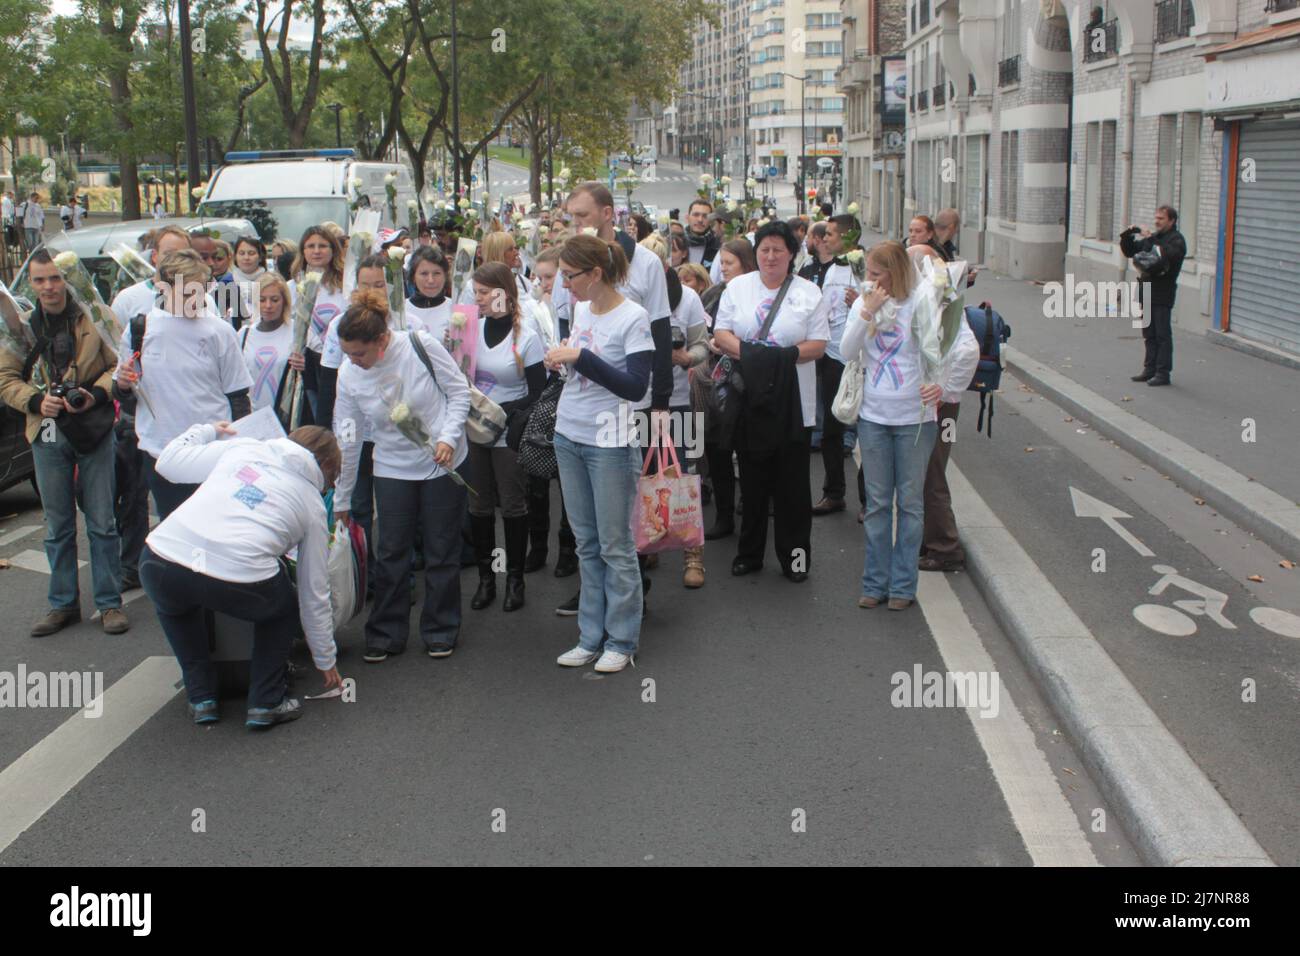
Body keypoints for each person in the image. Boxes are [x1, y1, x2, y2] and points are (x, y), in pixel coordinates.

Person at [139, 422, 343, 728]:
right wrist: (325, 658)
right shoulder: (312, 505)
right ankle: (266, 701)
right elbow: (313, 592)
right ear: (327, 466)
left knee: (177, 609)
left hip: (161, 556)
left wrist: (206, 429)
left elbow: (167, 463)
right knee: (282, 608)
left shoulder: (243, 448)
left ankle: (201, 698)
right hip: (237, 575)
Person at [549, 182, 673, 616]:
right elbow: (572, 329)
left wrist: (660, 401)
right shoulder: (574, 271)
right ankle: (593, 597)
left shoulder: (646, 264)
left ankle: (629, 601)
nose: (575, 223)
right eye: (570, 217)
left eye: (581, 216)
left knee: (622, 516)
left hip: (626, 409)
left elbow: (658, 331)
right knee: (587, 525)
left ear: (607, 213)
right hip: (580, 412)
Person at [333, 289, 471, 662]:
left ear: (381, 340)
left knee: (441, 549)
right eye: (347, 353)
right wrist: (342, 498)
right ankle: (386, 631)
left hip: (441, 461)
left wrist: (447, 438)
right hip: (392, 465)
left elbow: (459, 393)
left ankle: (441, 628)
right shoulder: (349, 374)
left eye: (359, 353)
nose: (353, 361)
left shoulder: (418, 345)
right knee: (393, 549)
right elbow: (347, 435)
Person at [840, 241, 975, 610]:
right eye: (868, 272)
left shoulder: (925, 302)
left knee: (911, 504)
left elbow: (955, 348)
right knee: (879, 504)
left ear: (895, 273)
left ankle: (902, 587)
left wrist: (943, 386)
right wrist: (867, 313)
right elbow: (846, 351)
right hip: (873, 417)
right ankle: (874, 582)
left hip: (916, 419)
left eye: (875, 273)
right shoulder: (864, 303)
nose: (869, 280)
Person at [0, 249, 128, 636]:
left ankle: (109, 604)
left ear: (67, 279)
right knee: (57, 526)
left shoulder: (95, 315)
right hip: (47, 429)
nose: (49, 287)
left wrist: (98, 395)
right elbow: (6, 379)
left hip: (93, 428)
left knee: (103, 522)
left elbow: (119, 364)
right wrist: (37, 400)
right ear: (31, 284)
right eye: (40, 280)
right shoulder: (22, 327)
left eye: (55, 278)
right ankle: (63, 605)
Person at [545, 234, 653, 673]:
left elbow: (635, 385)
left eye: (570, 276)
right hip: (569, 433)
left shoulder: (634, 317)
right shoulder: (580, 307)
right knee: (587, 543)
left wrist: (581, 356)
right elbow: (583, 370)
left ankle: (622, 640)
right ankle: (590, 637)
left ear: (596, 274)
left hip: (610, 441)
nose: (564, 285)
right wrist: (564, 361)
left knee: (615, 546)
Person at [712, 221, 829, 582]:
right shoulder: (738, 288)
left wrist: (778, 357)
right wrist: (756, 356)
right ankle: (749, 554)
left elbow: (819, 345)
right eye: (765, 249)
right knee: (752, 481)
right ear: (756, 252)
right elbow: (721, 333)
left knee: (792, 488)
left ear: (792, 254)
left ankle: (794, 560)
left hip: (795, 399)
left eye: (779, 249)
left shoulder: (809, 293)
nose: (771, 256)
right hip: (749, 396)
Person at [112, 249, 252, 521]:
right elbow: (127, 397)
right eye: (187, 293)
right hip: (161, 449)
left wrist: (243, 445)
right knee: (175, 527)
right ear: (164, 288)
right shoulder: (140, 329)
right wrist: (123, 384)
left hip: (212, 449)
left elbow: (238, 394)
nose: (196, 300)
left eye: (201, 291)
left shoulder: (218, 331)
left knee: (214, 525)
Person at [109, 225, 201, 590]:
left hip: (198, 435)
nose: (176, 262)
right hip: (146, 429)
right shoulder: (130, 301)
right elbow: (119, 369)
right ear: (154, 258)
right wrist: (124, 382)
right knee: (135, 497)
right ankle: (136, 568)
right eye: (168, 255)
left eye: (184, 255)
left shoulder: (209, 304)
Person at [466, 262, 546, 612]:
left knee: (513, 504)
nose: (477, 299)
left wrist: (509, 411)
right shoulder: (471, 328)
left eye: (483, 293)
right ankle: (487, 578)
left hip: (507, 432)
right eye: (475, 293)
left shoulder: (526, 335)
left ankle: (515, 578)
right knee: (479, 505)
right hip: (474, 429)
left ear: (502, 293)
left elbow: (540, 390)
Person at [637, 232, 710, 587]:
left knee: (683, 476)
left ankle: (692, 555)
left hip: (679, 400)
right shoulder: (629, 295)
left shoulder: (688, 298)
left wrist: (685, 357)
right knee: (644, 474)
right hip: (636, 401)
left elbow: (702, 346)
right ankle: (649, 542)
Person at [802, 214, 863, 517]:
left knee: (866, 428)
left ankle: (869, 500)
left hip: (861, 357)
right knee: (831, 426)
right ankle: (833, 492)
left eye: (832, 234)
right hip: (829, 355)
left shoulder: (862, 266)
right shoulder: (820, 268)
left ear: (848, 238)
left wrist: (862, 301)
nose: (825, 237)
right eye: (824, 234)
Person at [520, 245, 575, 574]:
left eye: (550, 276)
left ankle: (567, 547)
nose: (544, 283)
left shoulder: (573, 306)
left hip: (567, 395)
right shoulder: (533, 309)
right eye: (538, 278)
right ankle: (537, 545)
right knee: (536, 476)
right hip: (541, 396)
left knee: (568, 478)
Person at [699, 238, 758, 541]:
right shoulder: (712, 293)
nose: (722, 269)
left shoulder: (756, 295)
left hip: (749, 382)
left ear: (747, 265)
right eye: (721, 263)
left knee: (748, 451)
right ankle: (724, 515)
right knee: (717, 448)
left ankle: (752, 508)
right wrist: (708, 342)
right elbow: (700, 330)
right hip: (715, 380)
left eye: (729, 263)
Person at [289, 225, 351, 423]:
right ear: (303, 251)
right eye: (310, 246)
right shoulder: (293, 287)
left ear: (333, 250)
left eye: (323, 246)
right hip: (308, 370)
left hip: (340, 364)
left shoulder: (345, 285)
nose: (316, 251)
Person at [1121, 205, 1186, 387]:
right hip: (1147, 289)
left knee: (1162, 334)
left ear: (1171, 221)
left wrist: (1151, 239)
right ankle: (1149, 369)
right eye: (1156, 218)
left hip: (1163, 292)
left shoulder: (1177, 240)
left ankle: (1163, 373)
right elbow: (1130, 251)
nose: (1157, 221)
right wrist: (1128, 235)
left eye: (1161, 219)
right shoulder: (1154, 238)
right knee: (1149, 333)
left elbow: (1166, 256)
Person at [240, 273, 299, 413]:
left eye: (274, 300)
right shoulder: (244, 334)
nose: (268, 306)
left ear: (284, 301)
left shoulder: (297, 331)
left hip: (286, 414)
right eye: (262, 300)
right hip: (252, 415)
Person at [405, 245, 453, 340]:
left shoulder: (456, 309)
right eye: (424, 274)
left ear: (445, 276)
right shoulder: (401, 310)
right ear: (413, 277)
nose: (431, 280)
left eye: (437, 273)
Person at [229, 235, 268, 331]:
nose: (246, 258)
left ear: (260, 257)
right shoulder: (226, 284)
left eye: (251, 253)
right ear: (235, 257)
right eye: (241, 253)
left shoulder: (271, 283)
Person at [683, 198, 721, 272]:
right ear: (687, 218)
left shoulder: (718, 246)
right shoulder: (678, 244)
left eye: (705, 216)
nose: (700, 220)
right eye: (696, 215)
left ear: (711, 220)